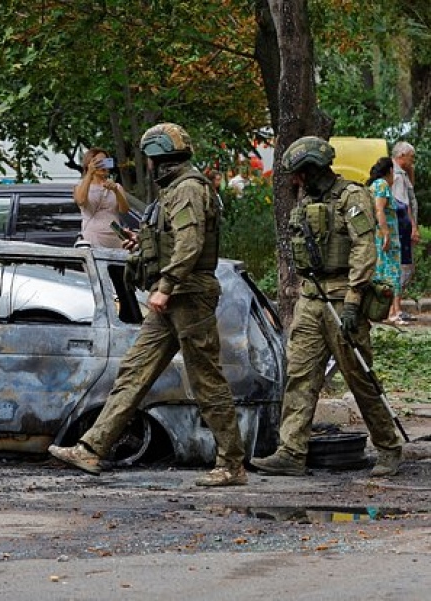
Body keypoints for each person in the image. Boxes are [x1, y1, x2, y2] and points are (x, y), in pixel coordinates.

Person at [49, 123, 247, 487]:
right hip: (172, 299)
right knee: (135, 370)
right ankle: (93, 447)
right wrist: (141, 245)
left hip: (188, 297)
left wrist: (166, 285)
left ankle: (232, 463)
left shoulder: (188, 189)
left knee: (207, 381)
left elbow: (190, 244)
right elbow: (172, 239)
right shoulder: (173, 190)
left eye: (150, 160)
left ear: (158, 159)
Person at [251, 136, 404, 478]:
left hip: (342, 298)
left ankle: (388, 447)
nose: (295, 180)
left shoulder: (352, 197)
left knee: (359, 376)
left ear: (310, 171)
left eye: (298, 174)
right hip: (311, 298)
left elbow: (364, 249)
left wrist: (353, 300)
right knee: (300, 375)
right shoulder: (305, 204)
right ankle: (291, 451)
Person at [366, 157, 403, 323]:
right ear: (389, 171)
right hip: (386, 238)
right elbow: (379, 210)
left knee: (383, 273)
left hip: (381, 237)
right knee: (391, 273)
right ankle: (392, 313)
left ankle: (388, 312)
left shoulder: (375, 185)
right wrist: (386, 233)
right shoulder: (382, 185)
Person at [73, 148, 132, 248]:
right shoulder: (81, 186)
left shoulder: (116, 186)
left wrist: (116, 191)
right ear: (89, 164)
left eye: (105, 162)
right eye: (98, 162)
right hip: (93, 237)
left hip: (115, 237)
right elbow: (81, 201)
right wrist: (89, 173)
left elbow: (124, 210)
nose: (102, 166)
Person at [391, 141, 419, 321]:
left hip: (403, 225)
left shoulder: (402, 173)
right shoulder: (397, 176)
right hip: (402, 225)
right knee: (403, 267)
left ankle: (396, 308)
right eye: (411, 157)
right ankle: (395, 309)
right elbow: (404, 204)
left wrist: (410, 170)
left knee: (403, 266)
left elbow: (411, 192)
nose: (413, 161)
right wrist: (414, 227)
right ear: (401, 156)